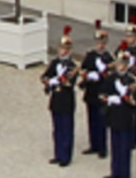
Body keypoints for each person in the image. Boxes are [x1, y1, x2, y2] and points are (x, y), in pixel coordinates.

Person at [100, 46, 136, 178]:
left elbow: (135, 101)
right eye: (118, 64)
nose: (120, 66)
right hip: (114, 114)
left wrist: (125, 97)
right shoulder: (111, 78)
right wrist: (110, 98)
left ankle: (124, 175)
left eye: (123, 64)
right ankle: (115, 171)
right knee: (115, 145)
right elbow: (102, 93)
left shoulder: (132, 81)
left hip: (125, 116)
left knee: (124, 147)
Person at [42, 29, 79, 166]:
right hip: (56, 98)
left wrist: (54, 80)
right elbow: (45, 75)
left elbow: (68, 82)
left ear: (68, 51)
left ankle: (66, 156)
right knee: (57, 128)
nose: (61, 51)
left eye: (64, 49)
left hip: (66, 99)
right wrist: (48, 81)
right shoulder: (55, 63)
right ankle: (58, 154)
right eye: (61, 48)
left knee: (66, 128)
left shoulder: (72, 66)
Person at [80, 23, 113, 157]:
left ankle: (102, 147)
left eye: (102, 42)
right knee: (92, 119)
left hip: (101, 91)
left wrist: (100, 75)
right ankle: (93, 144)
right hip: (91, 90)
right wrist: (87, 76)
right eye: (98, 42)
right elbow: (84, 68)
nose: (100, 45)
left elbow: (110, 76)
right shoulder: (90, 55)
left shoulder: (108, 58)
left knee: (101, 121)